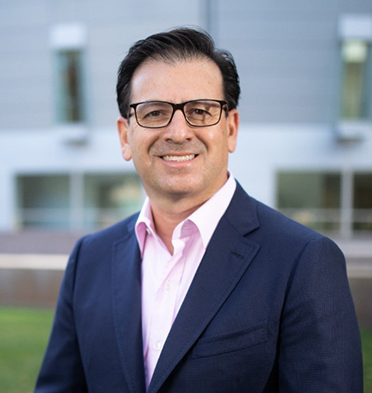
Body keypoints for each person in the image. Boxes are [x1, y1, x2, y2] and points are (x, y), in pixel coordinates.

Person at [35, 27, 363, 393]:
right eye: (155, 112)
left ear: (231, 129)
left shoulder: (304, 261)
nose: (178, 131)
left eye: (200, 111)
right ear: (125, 136)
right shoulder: (89, 259)